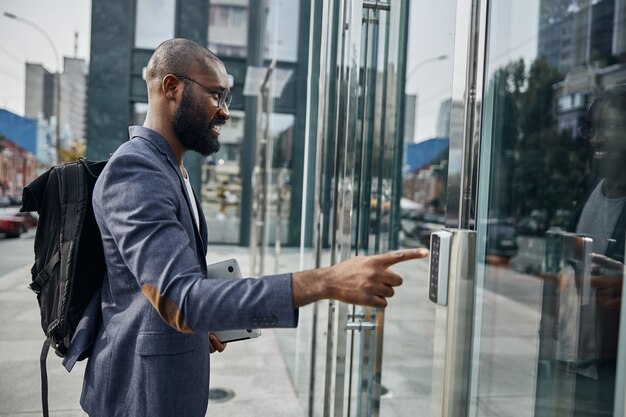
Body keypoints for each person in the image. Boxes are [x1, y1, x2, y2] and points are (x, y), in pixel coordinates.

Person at [63, 38, 428, 417]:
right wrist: (326, 281)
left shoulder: (171, 167)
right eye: (216, 95)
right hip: (139, 397)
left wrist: (205, 323)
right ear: (171, 88)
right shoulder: (136, 171)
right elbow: (182, 300)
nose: (224, 112)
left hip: (164, 384)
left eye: (227, 99)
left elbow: (157, 291)